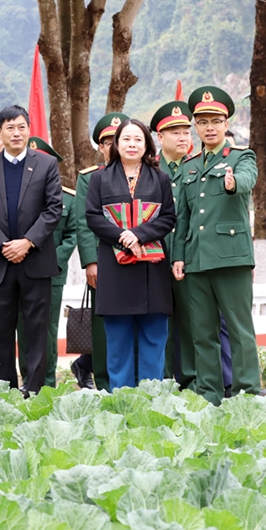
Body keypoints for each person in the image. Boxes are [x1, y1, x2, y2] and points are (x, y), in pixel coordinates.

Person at [172, 86, 261, 406]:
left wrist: (234, 182)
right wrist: (178, 257)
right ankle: (209, 391)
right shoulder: (189, 166)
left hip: (231, 257)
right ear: (195, 126)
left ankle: (247, 390)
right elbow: (182, 217)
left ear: (226, 124)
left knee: (239, 329)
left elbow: (249, 178)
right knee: (203, 332)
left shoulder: (241, 157)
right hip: (196, 261)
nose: (210, 127)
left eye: (216, 120)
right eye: (203, 121)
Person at [0, 105, 62, 395]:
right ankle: (5, 390)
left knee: (36, 331)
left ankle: (34, 389)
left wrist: (27, 241)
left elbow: (53, 209)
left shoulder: (46, 164)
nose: (16, 132)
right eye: (10, 127)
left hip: (35, 260)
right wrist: (2, 245)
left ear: (29, 130)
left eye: (22, 126)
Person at [85, 119, 176, 389]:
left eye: (138, 139)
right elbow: (92, 216)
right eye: (126, 139)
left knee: (153, 336)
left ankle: (151, 397)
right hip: (116, 268)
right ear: (116, 144)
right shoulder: (99, 178)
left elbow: (168, 217)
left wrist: (139, 234)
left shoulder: (160, 178)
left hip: (152, 269)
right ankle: (120, 397)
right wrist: (124, 237)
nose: (132, 144)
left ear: (147, 144)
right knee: (118, 340)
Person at [72, 113, 127, 391]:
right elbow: (83, 221)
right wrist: (90, 262)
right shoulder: (89, 178)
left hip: (139, 260)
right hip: (103, 262)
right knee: (103, 325)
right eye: (107, 142)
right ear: (101, 148)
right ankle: (104, 381)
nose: (113, 147)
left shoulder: (147, 174)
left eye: (119, 141)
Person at [16, 137, 77, 387]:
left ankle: (47, 381)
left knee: (47, 330)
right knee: (23, 327)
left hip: (52, 273)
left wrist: (54, 261)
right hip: (19, 269)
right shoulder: (13, 198)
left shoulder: (68, 198)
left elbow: (72, 234)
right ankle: (27, 380)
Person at [151, 100, 197, 386]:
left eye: (186, 132)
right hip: (155, 257)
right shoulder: (149, 171)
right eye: (175, 132)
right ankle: (163, 380)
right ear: (160, 137)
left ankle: (191, 382)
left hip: (191, 258)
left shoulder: (198, 168)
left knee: (192, 322)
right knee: (159, 324)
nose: (183, 138)